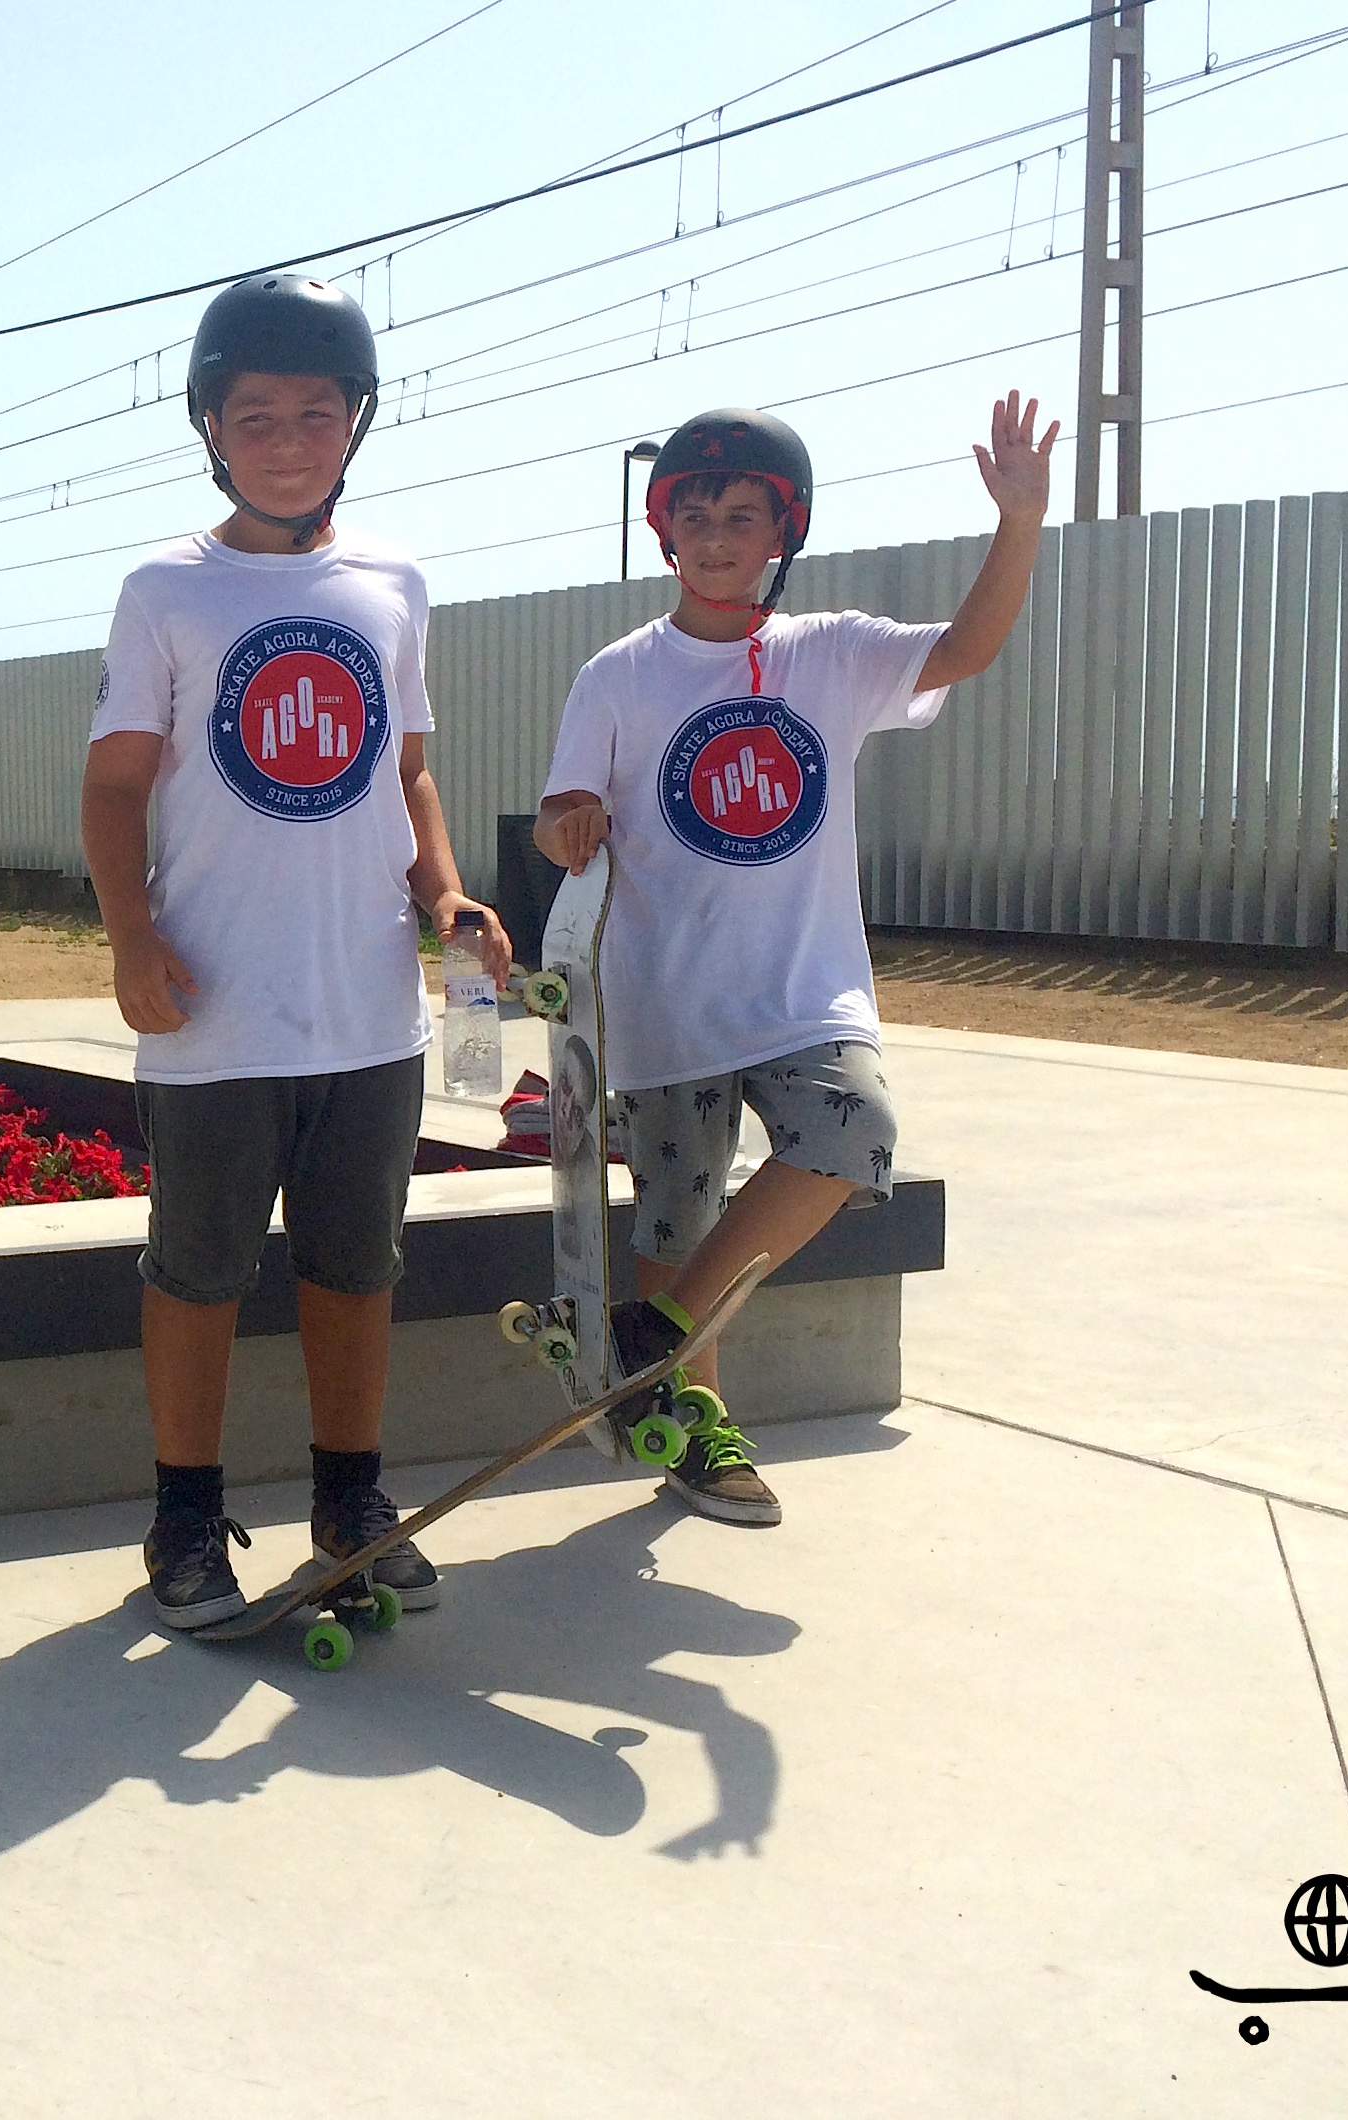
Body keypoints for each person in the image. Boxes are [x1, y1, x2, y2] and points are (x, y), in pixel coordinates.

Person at [533, 396, 1054, 1525]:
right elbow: (559, 808)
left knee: (850, 1126)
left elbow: (964, 648)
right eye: (696, 515)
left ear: (783, 534)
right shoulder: (617, 674)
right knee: (671, 1225)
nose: (717, 536)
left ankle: (659, 1338)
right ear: (664, 532)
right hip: (667, 999)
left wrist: (1017, 522)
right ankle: (696, 1425)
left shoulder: (830, 654)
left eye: (743, 515)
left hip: (805, 992)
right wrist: (568, 824)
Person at [81, 271, 512, 1630]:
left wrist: (446, 902)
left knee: (355, 1267)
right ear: (210, 428)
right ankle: (185, 1518)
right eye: (253, 414)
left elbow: (411, 777)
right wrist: (131, 938)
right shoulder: (165, 589)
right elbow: (110, 789)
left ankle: (350, 1499)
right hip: (214, 1007)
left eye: (315, 414)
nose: (285, 437)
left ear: (355, 424)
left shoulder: (394, 585)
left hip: (369, 1008)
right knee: (196, 1273)